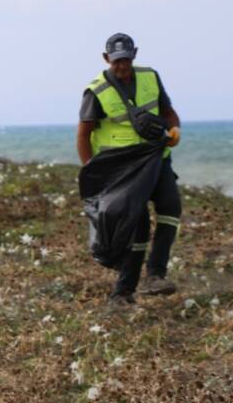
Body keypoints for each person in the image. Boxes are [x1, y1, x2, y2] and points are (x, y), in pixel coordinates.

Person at [77, 32, 183, 303]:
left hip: (155, 158)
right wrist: (92, 173)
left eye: (125, 60)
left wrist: (174, 128)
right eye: (116, 62)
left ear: (134, 54)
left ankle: (156, 275)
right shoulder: (96, 90)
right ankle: (123, 293)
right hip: (121, 169)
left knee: (170, 208)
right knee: (137, 227)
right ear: (106, 59)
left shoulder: (150, 76)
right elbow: (83, 135)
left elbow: (168, 110)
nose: (121, 66)